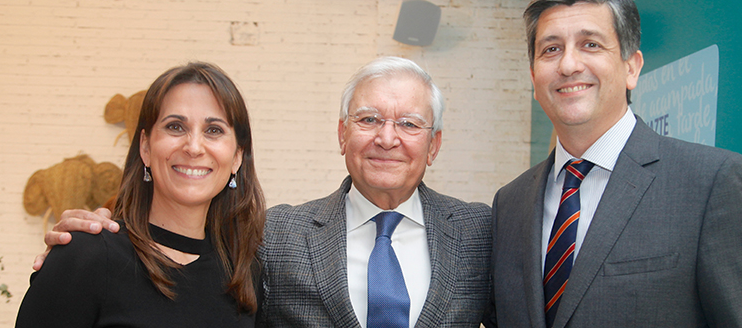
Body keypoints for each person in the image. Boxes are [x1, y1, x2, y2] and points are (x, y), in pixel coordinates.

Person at [35, 57, 492, 327]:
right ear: (341, 135)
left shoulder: (481, 233)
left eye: (409, 124)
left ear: (433, 145)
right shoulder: (272, 239)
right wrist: (84, 240)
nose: (387, 138)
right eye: (368, 120)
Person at [490, 0, 742, 328]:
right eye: (551, 49)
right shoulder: (509, 204)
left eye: (590, 44)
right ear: (533, 77)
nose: (569, 64)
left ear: (632, 67)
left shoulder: (712, 184)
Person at [17, 62, 266, 327]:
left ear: (237, 156)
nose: (193, 147)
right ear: (145, 147)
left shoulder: (244, 274)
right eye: (175, 127)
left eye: (213, 130)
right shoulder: (86, 255)